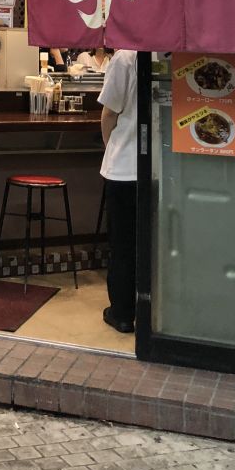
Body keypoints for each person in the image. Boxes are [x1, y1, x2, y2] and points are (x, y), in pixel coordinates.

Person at [98, 48, 138, 334]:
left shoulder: (125, 57)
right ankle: (158, 313)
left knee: (123, 244)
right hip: (168, 167)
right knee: (158, 244)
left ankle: (123, 313)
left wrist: (110, 148)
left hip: (124, 167)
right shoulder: (174, 49)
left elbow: (109, 112)